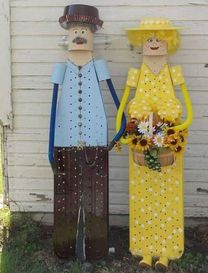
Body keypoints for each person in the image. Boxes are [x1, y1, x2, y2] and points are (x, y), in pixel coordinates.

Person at [48, 4, 126, 261]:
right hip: (63, 140)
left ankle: (96, 249)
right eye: (75, 31)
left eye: (84, 30)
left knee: (96, 199)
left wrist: (118, 134)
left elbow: (118, 105)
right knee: (65, 199)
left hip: (96, 140)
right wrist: (50, 148)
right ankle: (64, 249)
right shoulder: (61, 69)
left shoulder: (99, 66)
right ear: (66, 36)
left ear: (93, 35)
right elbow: (52, 109)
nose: (79, 35)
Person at [116, 18, 193, 270]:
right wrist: (129, 130)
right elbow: (123, 108)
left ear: (168, 43)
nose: (154, 44)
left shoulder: (173, 72)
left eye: (158, 40)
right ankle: (145, 251)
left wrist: (176, 128)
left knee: (168, 194)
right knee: (143, 197)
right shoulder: (136, 74)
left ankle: (167, 250)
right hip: (140, 137)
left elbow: (187, 108)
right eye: (149, 40)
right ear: (141, 45)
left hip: (167, 140)